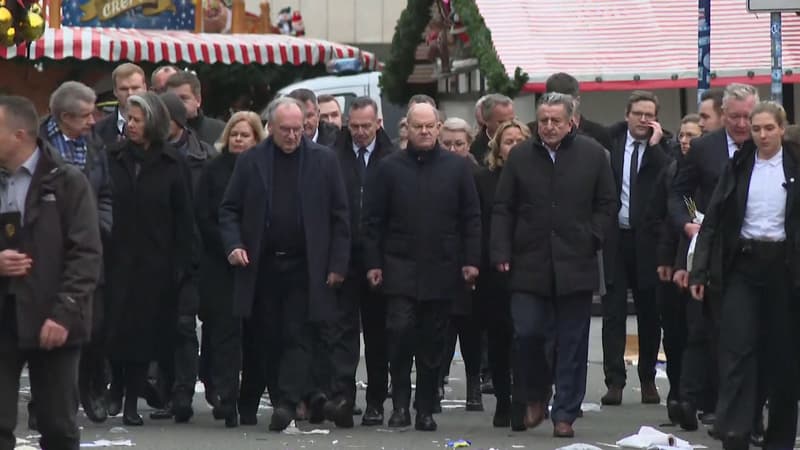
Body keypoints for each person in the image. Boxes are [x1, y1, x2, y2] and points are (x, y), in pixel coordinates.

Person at [218, 97, 350, 432]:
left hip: (307, 264)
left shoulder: (324, 160)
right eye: (285, 130)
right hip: (263, 265)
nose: (292, 136)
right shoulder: (251, 161)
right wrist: (234, 245)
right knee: (269, 335)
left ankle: (288, 403)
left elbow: (339, 217)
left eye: (298, 129)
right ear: (271, 128)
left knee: (297, 331)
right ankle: (308, 394)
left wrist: (337, 263)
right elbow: (229, 209)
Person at [491, 92, 616, 438]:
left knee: (572, 343)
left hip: (575, 263)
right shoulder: (520, 157)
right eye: (543, 120)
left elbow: (607, 203)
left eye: (555, 121)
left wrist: (593, 237)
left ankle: (565, 413)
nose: (548, 126)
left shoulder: (593, 155)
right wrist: (500, 250)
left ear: (571, 121)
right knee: (527, 333)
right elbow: (504, 208)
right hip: (528, 263)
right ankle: (535, 394)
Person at [363, 102, 481, 432]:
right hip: (399, 266)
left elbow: (471, 218)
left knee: (433, 344)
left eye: (431, 126)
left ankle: (425, 407)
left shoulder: (456, 169)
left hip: (442, 268)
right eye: (419, 126)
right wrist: (373, 262)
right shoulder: (388, 168)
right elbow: (372, 221)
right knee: (399, 335)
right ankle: (399, 404)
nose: (425, 131)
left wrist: (472, 260)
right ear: (408, 129)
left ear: (439, 129)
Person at [689, 101, 799, 450]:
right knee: (737, 347)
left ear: (782, 129)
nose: (762, 135)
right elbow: (714, 221)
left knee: (782, 355)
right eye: (756, 129)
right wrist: (699, 272)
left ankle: (779, 437)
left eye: (769, 128)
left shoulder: (795, 166)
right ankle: (734, 428)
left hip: (784, 267)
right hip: (743, 265)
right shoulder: (738, 165)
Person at [0, 95, 102, 450]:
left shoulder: (67, 181)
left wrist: (64, 313)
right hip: (5, 316)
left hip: (53, 318)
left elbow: (86, 254)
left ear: (19, 134)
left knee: (57, 424)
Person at [669, 83, 759, 434]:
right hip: (709, 250)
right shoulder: (705, 149)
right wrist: (686, 224)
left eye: (747, 117)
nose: (741, 123)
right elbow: (679, 193)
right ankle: (691, 400)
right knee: (701, 327)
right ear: (722, 115)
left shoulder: (766, 147)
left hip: (754, 252)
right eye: (734, 116)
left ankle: (729, 406)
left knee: (737, 332)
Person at [105, 92, 199, 426]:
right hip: (115, 259)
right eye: (128, 119)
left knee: (143, 334)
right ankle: (115, 385)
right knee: (113, 328)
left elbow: (185, 218)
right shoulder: (113, 157)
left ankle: (131, 401)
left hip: (155, 264)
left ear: (153, 123)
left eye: (137, 120)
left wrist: (183, 265)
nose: (130, 125)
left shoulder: (173, 164)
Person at [37, 81, 113, 424]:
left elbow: (106, 194)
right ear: (64, 117)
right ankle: (42, 406)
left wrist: (100, 225)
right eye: (85, 114)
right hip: (45, 251)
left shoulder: (95, 147)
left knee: (91, 326)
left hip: (88, 248)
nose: (93, 120)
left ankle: (90, 390)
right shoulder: (35, 144)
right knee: (45, 326)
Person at [601, 91, 672, 407]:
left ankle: (647, 379)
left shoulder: (664, 148)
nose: (644, 120)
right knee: (613, 313)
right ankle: (614, 381)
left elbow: (673, 182)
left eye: (650, 114)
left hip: (648, 241)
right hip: (615, 239)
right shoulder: (612, 143)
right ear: (627, 115)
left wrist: (656, 149)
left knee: (649, 313)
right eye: (639, 114)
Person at [195, 111, 266, 428]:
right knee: (223, 331)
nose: (238, 139)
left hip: (257, 264)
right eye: (235, 134)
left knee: (254, 334)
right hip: (219, 262)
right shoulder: (213, 170)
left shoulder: (263, 168)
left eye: (245, 135)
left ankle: (246, 396)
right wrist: (228, 245)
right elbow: (204, 215)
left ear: (256, 138)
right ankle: (225, 393)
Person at [328, 96, 395, 427]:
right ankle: (342, 397)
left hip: (379, 258)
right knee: (342, 331)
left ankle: (376, 400)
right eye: (353, 126)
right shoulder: (333, 157)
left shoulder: (392, 157)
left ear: (378, 123)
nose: (359, 132)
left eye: (365, 126)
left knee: (378, 333)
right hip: (344, 255)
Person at [646, 114, 702, 424]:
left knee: (698, 332)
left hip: (700, 261)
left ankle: (693, 396)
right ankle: (677, 393)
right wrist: (664, 259)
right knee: (675, 332)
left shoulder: (710, 172)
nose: (684, 140)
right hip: (674, 257)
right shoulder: (671, 172)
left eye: (692, 135)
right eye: (682, 134)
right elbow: (658, 217)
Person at [474, 119, 530, 427]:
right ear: (497, 147)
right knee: (498, 338)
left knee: (528, 336)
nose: (514, 147)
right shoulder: (484, 179)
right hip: (493, 269)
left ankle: (526, 397)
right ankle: (503, 399)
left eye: (520, 141)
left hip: (530, 266)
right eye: (508, 141)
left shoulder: (537, 178)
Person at [436, 116, 482, 412]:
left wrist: (474, 259)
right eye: (447, 144)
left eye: (459, 144)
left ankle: (474, 383)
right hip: (439, 259)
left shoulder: (478, 174)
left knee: (470, 328)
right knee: (441, 326)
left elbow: (478, 221)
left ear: (469, 144)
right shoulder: (433, 170)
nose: (453, 150)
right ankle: (437, 379)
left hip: (469, 259)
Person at [532, 72, 613, 150]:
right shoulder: (532, 132)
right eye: (555, 103)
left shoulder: (598, 133)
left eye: (566, 102)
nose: (561, 108)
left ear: (577, 101)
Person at [160, 92, 219, 190]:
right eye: (159, 119)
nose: (162, 124)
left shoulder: (207, 156)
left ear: (178, 121)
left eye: (167, 119)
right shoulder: (148, 152)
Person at [165, 70, 225, 146]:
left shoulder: (220, 130)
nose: (177, 103)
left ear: (198, 100)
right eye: (173, 98)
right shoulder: (159, 132)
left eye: (183, 98)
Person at [95, 63, 147, 144]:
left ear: (144, 88)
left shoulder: (159, 126)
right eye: (124, 89)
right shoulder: (99, 129)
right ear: (115, 91)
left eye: (135, 88)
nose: (130, 93)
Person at [469, 94, 514, 163]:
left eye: (512, 120)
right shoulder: (474, 148)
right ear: (486, 120)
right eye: (502, 122)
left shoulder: (524, 141)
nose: (509, 125)